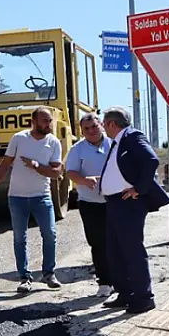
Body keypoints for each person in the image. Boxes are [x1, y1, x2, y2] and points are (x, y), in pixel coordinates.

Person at [99, 106, 169, 313]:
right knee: (114, 252)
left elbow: (151, 160)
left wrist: (139, 188)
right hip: (114, 203)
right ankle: (125, 294)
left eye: (104, 124)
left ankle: (143, 297)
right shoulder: (118, 141)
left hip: (128, 203)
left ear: (112, 124)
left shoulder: (132, 136)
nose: (103, 128)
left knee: (132, 251)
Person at [0, 106, 63, 293]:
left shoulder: (53, 143)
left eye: (50, 120)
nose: (49, 124)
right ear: (33, 122)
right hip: (17, 198)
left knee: (50, 234)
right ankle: (24, 278)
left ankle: (49, 274)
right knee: (20, 238)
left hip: (42, 197)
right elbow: (5, 164)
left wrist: (36, 166)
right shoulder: (19, 139)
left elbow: (56, 172)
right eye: (45, 120)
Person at [65, 112, 114, 298]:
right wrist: (85, 180)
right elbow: (70, 172)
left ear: (101, 125)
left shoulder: (113, 144)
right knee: (98, 244)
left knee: (116, 242)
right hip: (90, 204)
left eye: (94, 126)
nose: (91, 131)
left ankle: (120, 281)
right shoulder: (77, 149)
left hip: (114, 202)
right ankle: (104, 282)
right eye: (87, 129)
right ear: (82, 131)